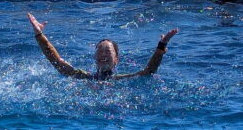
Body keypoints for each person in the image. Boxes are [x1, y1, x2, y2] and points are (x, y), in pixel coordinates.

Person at [27, 12, 178, 80]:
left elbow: (148, 71)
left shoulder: (122, 79)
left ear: (117, 59)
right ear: (94, 57)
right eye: (100, 50)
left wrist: (161, 45)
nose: (103, 54)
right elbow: (57, 62)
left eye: (108, 51)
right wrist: (40, 35)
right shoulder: (82, 77)